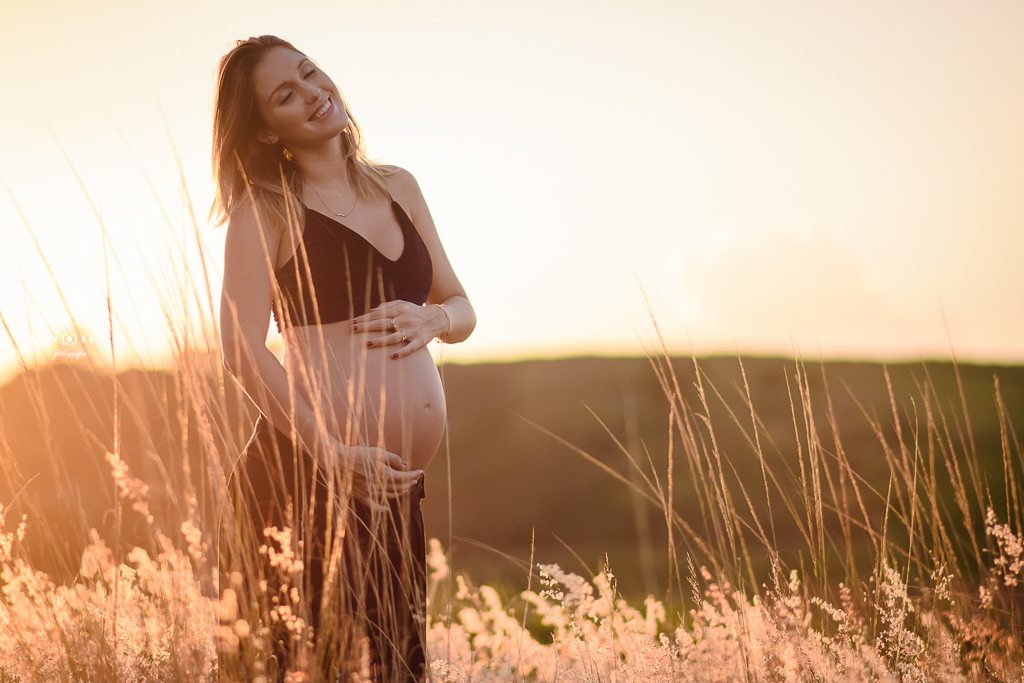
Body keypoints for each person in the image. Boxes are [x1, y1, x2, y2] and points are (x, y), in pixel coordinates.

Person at [213, 35, 475, 682]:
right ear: (268, 129)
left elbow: (463, 307)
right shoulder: (265, 209)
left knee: (398, 667)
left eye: (309, 74)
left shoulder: (398, 186)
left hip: (393, 487)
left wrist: (432, 318)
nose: (311, 93)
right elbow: (239, 350)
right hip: (304, 478)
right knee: (299, 667)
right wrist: (331, 454)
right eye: (285, 95)